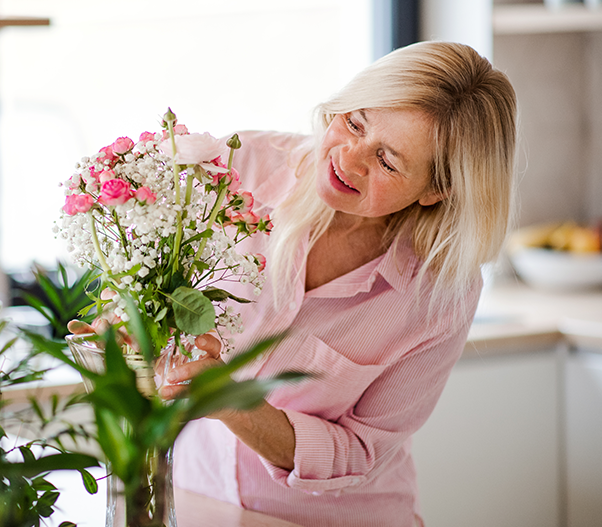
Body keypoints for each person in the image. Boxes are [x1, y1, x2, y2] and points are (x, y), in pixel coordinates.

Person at [160, 41, 518, 527]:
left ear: (437, 190)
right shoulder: (243, 171)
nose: (348, 160)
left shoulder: (439, 295)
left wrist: (230, 402)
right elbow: (155, 278)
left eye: (388, 162)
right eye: (354, 122)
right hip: (199, 498)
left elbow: (360, 450)